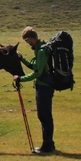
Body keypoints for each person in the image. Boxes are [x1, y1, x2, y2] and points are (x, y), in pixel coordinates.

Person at [14, 26, 55, 154]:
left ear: (31, 38)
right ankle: (49, 144)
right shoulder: (40, 49)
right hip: (43, 86)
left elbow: (37, 73)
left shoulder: (42, 51)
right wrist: (22, 60)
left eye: (27, 41)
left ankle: (47, 147)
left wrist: (21, 79)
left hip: (44, 86)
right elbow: (35, 66)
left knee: (44, 116)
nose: (27, 44)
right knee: (45, 116)